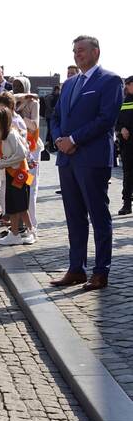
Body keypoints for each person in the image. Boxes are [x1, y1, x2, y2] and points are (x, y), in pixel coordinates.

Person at [49, 36, 123, 291]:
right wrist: (59, 138)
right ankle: (76, 269)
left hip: (91, 159)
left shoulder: (110, 81)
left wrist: (74, 139)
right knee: (74, 218)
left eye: (81, 50)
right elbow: (56, 115)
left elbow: (106, 119)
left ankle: (101, 272)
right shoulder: (69, 84)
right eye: (74, 51)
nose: (76, 55)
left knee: (98, 216)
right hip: (67, 160)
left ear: (95, 52)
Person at [0, 107, 35, 245]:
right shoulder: (4, 134)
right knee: (12, 206)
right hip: (11, 173)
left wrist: (4, 163)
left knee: (21, 206)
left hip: (19, 174)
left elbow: (21, 154)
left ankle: (31, 232)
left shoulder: (11, 134)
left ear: (5, 119)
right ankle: (14, 234)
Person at [14, 77, 41, 231]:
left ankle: (31, 223)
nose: (16, 88)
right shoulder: (13, 101)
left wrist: (20, 118)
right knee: (17, 185)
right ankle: (17, 223)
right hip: (16, 148)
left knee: (30, 185)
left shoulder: (33, 103)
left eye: (19, 85)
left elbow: (34, 125)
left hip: (31, 149)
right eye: (14, 85)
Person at [116, 76, 133, 215]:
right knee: (127, 174)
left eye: (129, 84)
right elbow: (117, 120)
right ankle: (126, 204)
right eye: (125, 84)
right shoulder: (124, 100)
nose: (126, 86)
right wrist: (121, 129)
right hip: (127, 145)